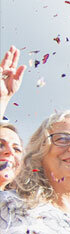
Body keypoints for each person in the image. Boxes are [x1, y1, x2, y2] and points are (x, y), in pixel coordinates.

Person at [0, 47, 26, 190]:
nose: (9, 151)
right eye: (0, 145)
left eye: (17, 149)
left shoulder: (24, 210)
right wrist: (2, 101)